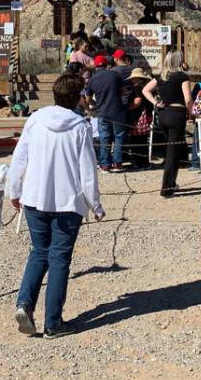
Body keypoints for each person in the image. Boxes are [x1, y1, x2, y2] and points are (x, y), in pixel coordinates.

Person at [11, 74, 106, 339]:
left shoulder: (35, 119)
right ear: (78, 98)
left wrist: (14, 190)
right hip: (67, 202)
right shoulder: (81, 127)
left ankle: (24, 304)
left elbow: (20, 156)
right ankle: (53, 323)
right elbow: (87, 171)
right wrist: (95, 204)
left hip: (35, 199)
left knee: (39, 251)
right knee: (59, 259)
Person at [142, 49, 192, 197]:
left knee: (172, 150)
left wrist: (156, 103)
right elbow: (188, 99)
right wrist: (193, 113)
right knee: (172, 153)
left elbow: (145, 90)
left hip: (163, 116)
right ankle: (166, 188)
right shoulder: (182, 77)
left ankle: (172, 183)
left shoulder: (162, 77)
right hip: (177, 115)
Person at [86, 56, 128, 173]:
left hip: (102, 112)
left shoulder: (92, 79)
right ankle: (118, 164)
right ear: (106, 65)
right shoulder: (115, 75)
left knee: (104, 137)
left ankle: (105, 165)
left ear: (96, 66)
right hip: (117, 111)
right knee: (119, 136)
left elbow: (88, 99)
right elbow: (124, 92)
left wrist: (96, 104)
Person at [126, 67, 154, 168]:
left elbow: (137, 102)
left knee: (136, 140)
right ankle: (143, 162)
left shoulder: (138, 88)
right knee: (142, 139)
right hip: (145, 116)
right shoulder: (145, 87)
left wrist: (127, 108)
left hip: (138, 117)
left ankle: (139, 162)